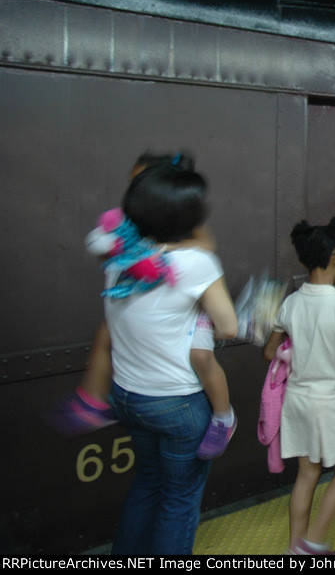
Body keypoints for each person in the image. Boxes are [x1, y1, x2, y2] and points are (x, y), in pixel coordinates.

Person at [51, 152, 234, 458]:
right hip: (157, 389)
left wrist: (160, 251)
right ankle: (93, 397)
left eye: (142, 182)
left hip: (189, 316)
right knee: (105, 334)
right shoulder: (127, 235)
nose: (134, 190)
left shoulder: (187, 248)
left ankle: (223, 416)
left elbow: (206, 247)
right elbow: (101, 245)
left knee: (201, 356)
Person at [105, 163, 238, 554]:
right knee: (179, 501)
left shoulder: (118, 261)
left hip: (129, 397)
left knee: (147, 484)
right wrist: (201, 314)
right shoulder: (196, 264)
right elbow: (228, 327)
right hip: (177, 404)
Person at [262, 218, 335, 555]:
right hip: (331, 401)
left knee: (307, 474)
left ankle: (294, 548)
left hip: (298, 400)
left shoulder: (290, 304)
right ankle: (314, 541)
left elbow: (268, 351)